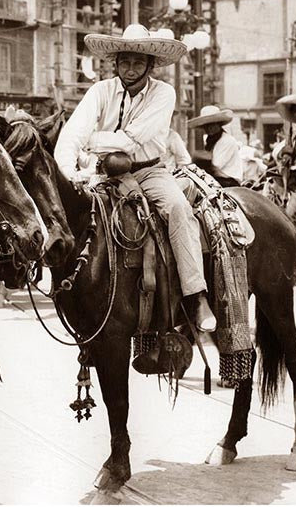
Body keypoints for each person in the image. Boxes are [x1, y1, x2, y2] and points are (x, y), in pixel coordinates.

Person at [54, 23, 216, 332]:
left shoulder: (164, 93)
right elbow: (72, 134)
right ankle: (73, 289)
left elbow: (133, 139)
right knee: (74, 213)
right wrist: (70, 172)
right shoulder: (99, 91)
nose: (130, 69)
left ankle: (196, 295)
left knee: (179, 209)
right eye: (125, 61)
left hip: (150, 171)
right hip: (104, 172)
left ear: (150, 65)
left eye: (138, 62)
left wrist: (92, 142)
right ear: (115, 62)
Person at [273, 94, 296, 241]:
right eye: (295, 111)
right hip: (291, 180)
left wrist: (295, 153)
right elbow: (279, 152)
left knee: (289, 220)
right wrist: (285, 155)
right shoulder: (295, 132)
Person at [188, 105, 242, 187]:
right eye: (206, 125)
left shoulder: (226, 140)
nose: (209, 128)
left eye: (212, 125)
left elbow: (215, 166)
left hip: (228, 182)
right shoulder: (211, 141)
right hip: (214, 180)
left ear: (218, 124)